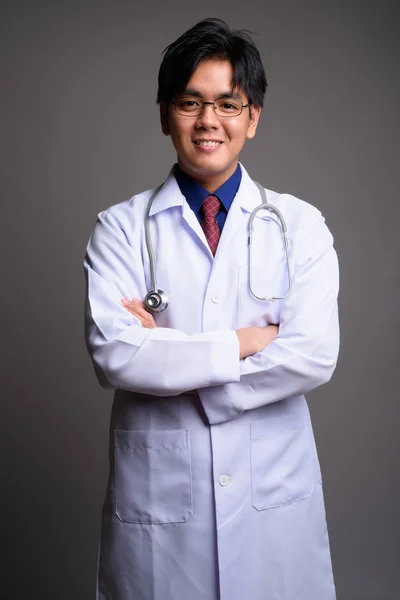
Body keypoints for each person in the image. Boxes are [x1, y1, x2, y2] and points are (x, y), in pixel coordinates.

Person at [83, 17, 340, 600]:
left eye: (228, 104)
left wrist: (170, 358)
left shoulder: (300, 226)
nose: (208, 121)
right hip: (163, 509)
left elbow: (314, 356)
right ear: (163, 114)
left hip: (271, 499)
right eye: (190, 102)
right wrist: (245, 342)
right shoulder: (121, 230)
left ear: (252, 117)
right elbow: (117, 356)